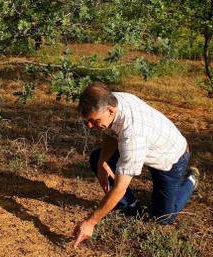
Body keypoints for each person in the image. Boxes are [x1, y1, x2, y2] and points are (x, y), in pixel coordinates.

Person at [73, 82, 199, 248]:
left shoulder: (132, 134)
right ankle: (130, 206)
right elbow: (111, 133)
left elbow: (119, 187)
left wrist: (91, 222)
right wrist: (102, 163)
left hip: (170, 157)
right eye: (87, 121)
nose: (89, 126)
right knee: (97, 157)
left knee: (163, 218)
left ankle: (190, 180)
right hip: (148, 146)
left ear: (110, 110)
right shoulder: (112, 101)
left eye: (94, 120)